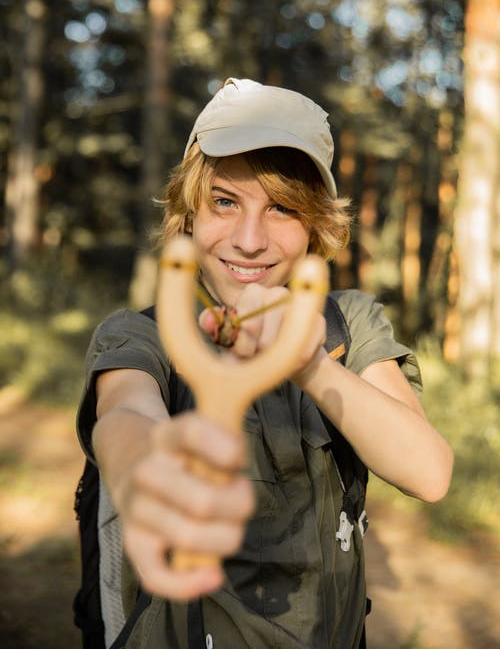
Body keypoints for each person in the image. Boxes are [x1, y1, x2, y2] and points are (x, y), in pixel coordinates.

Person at [77, 77, 453, 649]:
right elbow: (127, 412)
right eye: (225, 202)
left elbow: (428, 473)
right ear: (189, 212)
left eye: (281, 208)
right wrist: (144, 473)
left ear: (316, 226)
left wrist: (313, 367)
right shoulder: (144, 334)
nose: (249, 240)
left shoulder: (347, 324)